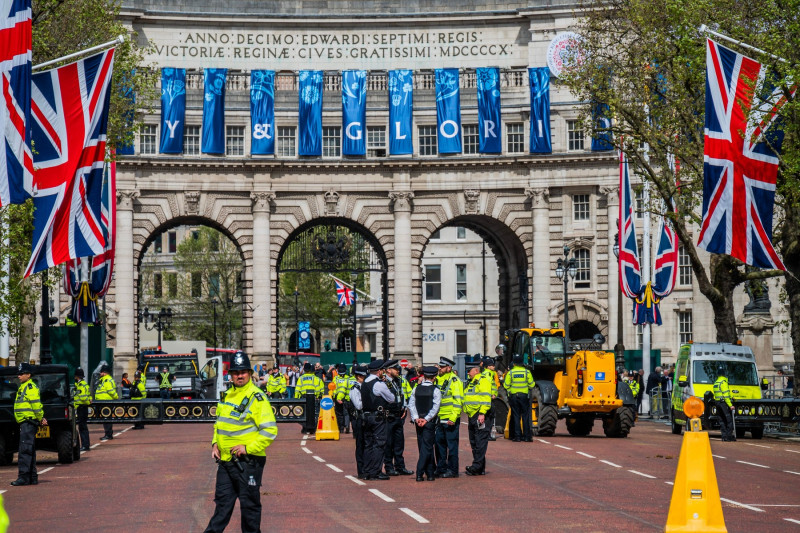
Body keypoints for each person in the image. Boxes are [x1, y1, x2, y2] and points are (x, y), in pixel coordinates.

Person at [204, 351, 278, 533]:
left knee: (249, 508)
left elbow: (270, 430)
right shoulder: (226, 395)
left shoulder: (257, 397)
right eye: (236, 372)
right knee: (221, 506)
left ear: (249, 373)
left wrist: (248, 448)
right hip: (226, 461)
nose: (239, 376)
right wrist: (215, 443)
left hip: (248, 462)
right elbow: (219, 424)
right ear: (231, 374)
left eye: (243, 372)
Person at [11, 362, 47, 486]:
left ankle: (24, 477)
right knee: (29, 449)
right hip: (26, 422)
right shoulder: (24, 386)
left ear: (28, 374)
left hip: (28, 422)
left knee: (24, 450)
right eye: (19, 374)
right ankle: (32, 477)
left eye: (21, 374)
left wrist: (41, 417)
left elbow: (36, 405)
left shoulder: (30, 387)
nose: (19, 376)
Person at [361, 360, 396, 480]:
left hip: (366, 416)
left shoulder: (365, 382)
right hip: (377, 417)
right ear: (380, 371)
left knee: (368, 444)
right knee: (379, 444)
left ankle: (366, 471)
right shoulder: (379, 384)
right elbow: (391, 398)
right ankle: (375, 471)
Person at [408, 366, 441, 482]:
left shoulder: (416, 389)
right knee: (427, 447)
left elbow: (411, 405)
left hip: (418, 422)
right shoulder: (436, 390)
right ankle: (420, 472)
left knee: (423, 446)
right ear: (435, 377)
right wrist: (426, 419)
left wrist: (417, 418)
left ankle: (430, 472)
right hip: (429, 422)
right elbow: (435, 407)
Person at [382, 360, 413, 476]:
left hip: (398, 415)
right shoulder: (383, 382)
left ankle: (400, 466)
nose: (398, 371)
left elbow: (402, 394)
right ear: (388, 370)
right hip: (388, 416)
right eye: (395, 369)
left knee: (399, 443)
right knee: (388, 443)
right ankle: (389, 467)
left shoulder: (399, 381)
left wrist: (404, 407)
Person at [434, 356, 463, 479]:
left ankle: (453, 470)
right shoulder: (439, 379)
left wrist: (453, 417)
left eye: (442, 367)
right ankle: (441, 468)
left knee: (451, 446)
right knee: (439, 445)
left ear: (449, 368)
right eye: (439, 366)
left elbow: (458, 400)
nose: (439, 368)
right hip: (439, 418)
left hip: (450, 418)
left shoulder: (455, 380)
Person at [464, 361, 491, 476]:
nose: (468, 373)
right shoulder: (471, 382)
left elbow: (486, 398)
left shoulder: (483, 380)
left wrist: (482, 413)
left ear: (475, 371)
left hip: (480, 414)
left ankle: (476, 466)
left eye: (469, 371)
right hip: (472, 415)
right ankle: (480, 468)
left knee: (480, 441)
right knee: (474, 442)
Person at [504, 353, 534, 442]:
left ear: (514, 363)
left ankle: (517, 437)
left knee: (516, 416)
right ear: (522, 362)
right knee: (525, 416)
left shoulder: (511, 373)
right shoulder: (526, 372)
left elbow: (506, 385)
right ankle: (527, 437)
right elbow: (532, 385)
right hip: (524, 396)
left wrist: (511, 390)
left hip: (514, 397)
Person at [348, 365, 368, 479]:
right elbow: (359, 405)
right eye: (364, 377)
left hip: (367, 418)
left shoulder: (366, 387)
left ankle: (369, 468)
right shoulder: (355, 389)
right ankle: (361, 471)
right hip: (359, 419)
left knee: (369, 444)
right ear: (358, 377)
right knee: (361, 445)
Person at [94, 361, 118, 441]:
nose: (100, 373)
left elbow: (110, 391)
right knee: (106, 419)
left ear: (104, 373)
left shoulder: (107, 380)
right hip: (104, 401)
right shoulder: (104, 379)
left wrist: (116, 397)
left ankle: (108, 434)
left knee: (107, 419)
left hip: (106, 402)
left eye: (101, 372)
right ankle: (108, 434)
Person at [713, 365, 735, 442]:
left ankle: (724, 436)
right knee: (729, 420)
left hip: (717, 403)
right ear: (724, 374)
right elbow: (725, 395)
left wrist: (731, 396)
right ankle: (729, 436)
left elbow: (720, 393)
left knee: (721, 420)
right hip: (723, 403)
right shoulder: (723, 382)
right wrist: (730, 405)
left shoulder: (716, 382)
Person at [481, 356, 499, 440]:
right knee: (489, 418)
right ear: (488, 367)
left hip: (489, 398)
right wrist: (492, 394)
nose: (494, 366)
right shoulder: (488, 374)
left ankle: (486, 434)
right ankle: (487, 435)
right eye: (492, 365)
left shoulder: (488, 374)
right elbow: (489, 386)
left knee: (489, 417)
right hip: (489, 399)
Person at [73, 368, 91, 450]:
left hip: (82, 407)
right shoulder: (83, 384)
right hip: (82, 407)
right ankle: (85, 444)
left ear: (77, 376)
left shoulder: (81, 385)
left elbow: (83, 397)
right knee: (83, 426)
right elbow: (89, 395)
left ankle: (85, 445)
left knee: (82, 427)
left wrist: (86, 402)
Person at [333, 364, 350, 434]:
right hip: (346, 398)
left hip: (337, 398)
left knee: (339, 414)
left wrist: (334, 397)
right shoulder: (348, 378)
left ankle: (341, 428)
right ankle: (346, 425)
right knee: (346, 413)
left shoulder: (336, 378)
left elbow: (333, 388)